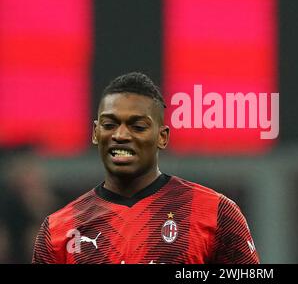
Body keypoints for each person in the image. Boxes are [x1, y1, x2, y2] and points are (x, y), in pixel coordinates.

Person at [32, 72, 259, 264]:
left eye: (138, 126)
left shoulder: (214, 212)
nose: (120, 135)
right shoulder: (58, 229)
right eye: (110, 125)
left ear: (162, 137)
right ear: (95, 133)